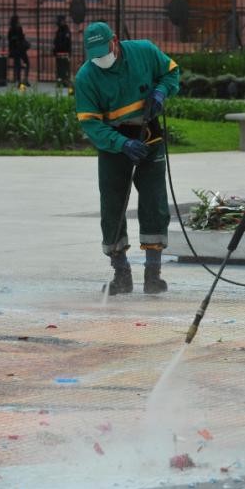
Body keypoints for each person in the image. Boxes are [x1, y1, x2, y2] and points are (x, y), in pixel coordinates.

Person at [75, 21, 180, 295]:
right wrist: (121, 143)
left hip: (149, 135)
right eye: (95, 55)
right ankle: (122, 274)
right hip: (114, 144)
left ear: (115, 41)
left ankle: (152, 274)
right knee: (112, 205)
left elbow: (171, 73)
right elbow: (91, 124)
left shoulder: (144, 52)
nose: (101, 59)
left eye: (104, 51)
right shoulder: (86, 77)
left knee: (154, 201)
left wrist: (161, 92)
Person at [8, 15, 30, 87]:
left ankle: (19, 80)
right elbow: (20, 37)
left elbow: (10, 39)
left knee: (18, 65)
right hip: (20, 49)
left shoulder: (11, 29)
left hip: (15, 49)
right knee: (26, 63)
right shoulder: (18, 28)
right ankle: (24, 80)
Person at [52, 15, 72, 88]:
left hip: (65, 52)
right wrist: (55, 50)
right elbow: (56, 41)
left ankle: (66, 81)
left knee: (65, 67)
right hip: (59, 53)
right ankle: (59, 81)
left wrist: (69, 52)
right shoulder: (59, 30)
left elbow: (67, 42)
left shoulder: (66, 30)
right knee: (59, 67)